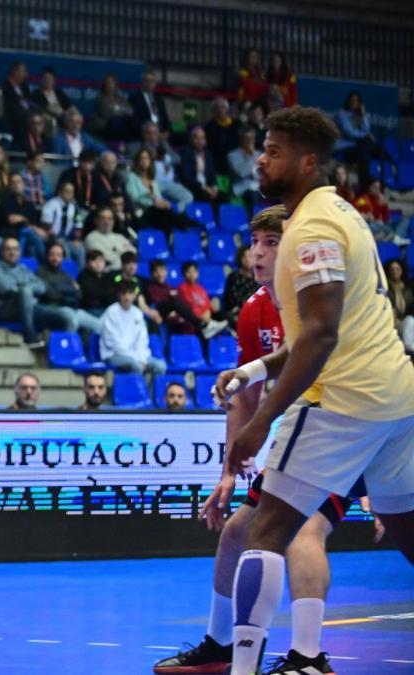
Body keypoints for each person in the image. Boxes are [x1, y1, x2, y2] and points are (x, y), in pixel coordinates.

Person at [212, 107, 414, 675]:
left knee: (265, 529)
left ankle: (249, 667)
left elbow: (320, 337)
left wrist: (259, 422)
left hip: (342, 401)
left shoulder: (312, 229)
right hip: (397, 399)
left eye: (273, 151)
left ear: (307, 162)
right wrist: (255, 371)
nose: (260, 159)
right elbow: (321, 329)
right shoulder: (343, 213)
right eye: (262, 148)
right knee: (409, 532)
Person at [156, 205, 359, 674]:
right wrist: (228, 473)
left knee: (305, 531)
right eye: (254, 243)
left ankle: (309, 658)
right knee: (236, 533)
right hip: (301, 436)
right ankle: (221, 646)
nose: (259, 253)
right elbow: (245, 398)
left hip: (345, 428)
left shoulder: (319, 300)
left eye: (272, 243)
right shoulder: (254, 310)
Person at [0, 237, 48, 348]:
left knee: (65, 316)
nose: (12, 252)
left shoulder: (23, 269)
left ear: (19, 252)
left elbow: (42, 286)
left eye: (15, 249)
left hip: (30, 307)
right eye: (8, 249)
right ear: (2, 252)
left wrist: (24, 287)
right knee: (25, 292)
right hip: (7, 309)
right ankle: (29, 335)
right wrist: (27, 288)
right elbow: (10, 290)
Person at [100, 281, 166, 375]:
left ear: (134, 295)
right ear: (119, 295)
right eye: (124, 293)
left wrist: (141, 358)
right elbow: (112, 343)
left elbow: (142, 340)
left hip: (137, 355)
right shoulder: (111, 312)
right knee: (137, 367)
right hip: (113, 354)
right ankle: (135, 385)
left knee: (160, 366)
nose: (127, 297)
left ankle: (150, 386)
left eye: (130, 293)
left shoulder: (137, 313)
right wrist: (137, 359)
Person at [37, 242, 102, 335]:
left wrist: (59, 288)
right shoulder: (40, 273)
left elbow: (78, 294)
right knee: (72, 319)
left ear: (62, 258)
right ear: (47, 256)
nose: (55, 258)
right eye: (52, 254)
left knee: (100, 326)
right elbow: (50, 295)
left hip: (72, 309)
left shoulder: (64, 275)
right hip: (52, 308)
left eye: (59, 255)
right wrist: (69, 290)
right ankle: (66, 344)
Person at [179, 126, 223, 207]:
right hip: (193, 187)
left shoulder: (208, 154)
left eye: (202, 138)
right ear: (191, 140)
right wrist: (204, 187)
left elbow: (212, 174)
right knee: (204, 195)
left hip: (207, 188)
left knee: (223, 197)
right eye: (196, 138)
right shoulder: (185, 153)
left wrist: (214, 188)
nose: (200, 141)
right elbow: (187, 177)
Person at [41, 181, 84, 262]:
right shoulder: (51, 204)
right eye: (67, 191)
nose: (69, 194)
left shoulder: (74, 207)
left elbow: (78, 225)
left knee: (80, 249)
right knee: (64, 248)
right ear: (60, 192)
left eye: (71, 192)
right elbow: (46, 225)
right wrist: (54, 238)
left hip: (67, 239)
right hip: (52, 238)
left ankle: (80, 270)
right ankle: (66, 269)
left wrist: (76, 239)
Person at [83, 206, 134, 272]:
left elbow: (133, 253)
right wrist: (122, 251)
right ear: (96, 221)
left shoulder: (120, 237)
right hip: (106, 273)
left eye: (110, 219)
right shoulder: (91, 238)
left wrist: (116, 252)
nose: (106, 222)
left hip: (124, 273)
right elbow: (106, 258)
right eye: (103, 218)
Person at [178, 261, 221, 333]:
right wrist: (201, 315)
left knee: (223, 315)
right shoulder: (182, 288)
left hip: (206, 315)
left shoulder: (200, 288)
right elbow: (190, 305)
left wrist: (208, 311)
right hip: (196, 318)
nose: (192, 274)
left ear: (197, 273)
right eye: (188, 272)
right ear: (184, 274)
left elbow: (207, 303)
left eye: (194, 271)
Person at [90, 73, 134, 141]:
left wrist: (116, 108)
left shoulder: (121, 98)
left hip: (120, 127)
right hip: (104, 126)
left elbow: (130, 111)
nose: (109, 85)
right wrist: (121, 109)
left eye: (112, 83)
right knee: (115, 121)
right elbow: (107, 113)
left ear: (116, 85)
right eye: (107, 83)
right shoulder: (100, 98)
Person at [130, 69, 171, 136]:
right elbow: (135, 122)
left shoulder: (159, 99)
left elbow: (165, 118)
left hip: (161, 133)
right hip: (146, 134)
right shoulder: (135, 98)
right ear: (142, 82)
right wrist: (153, 133)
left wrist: (167, 132)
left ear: (155, 83)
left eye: (152, 81)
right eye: (146, 80)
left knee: (182, 128)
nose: (149, 83)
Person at [228, 127, 260, 211]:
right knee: (253, 195)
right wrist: (251, 155)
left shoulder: (259, 154)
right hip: (243, 188)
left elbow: (263, 173)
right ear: (241, 140)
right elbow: (241, 173)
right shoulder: (233, 155)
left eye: (252, 138)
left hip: (259, 187)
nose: (250, 141)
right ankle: (255, 218)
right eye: (247, 138)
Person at [78, 250, 117, 316]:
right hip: (91, 309)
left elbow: (114, 293)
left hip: (107, 308)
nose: (98, 263)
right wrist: (107, 294)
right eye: (94, 260)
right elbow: (93, 294)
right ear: (87, 263)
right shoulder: (83, 276)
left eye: (101, 260)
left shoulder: (107, 276)